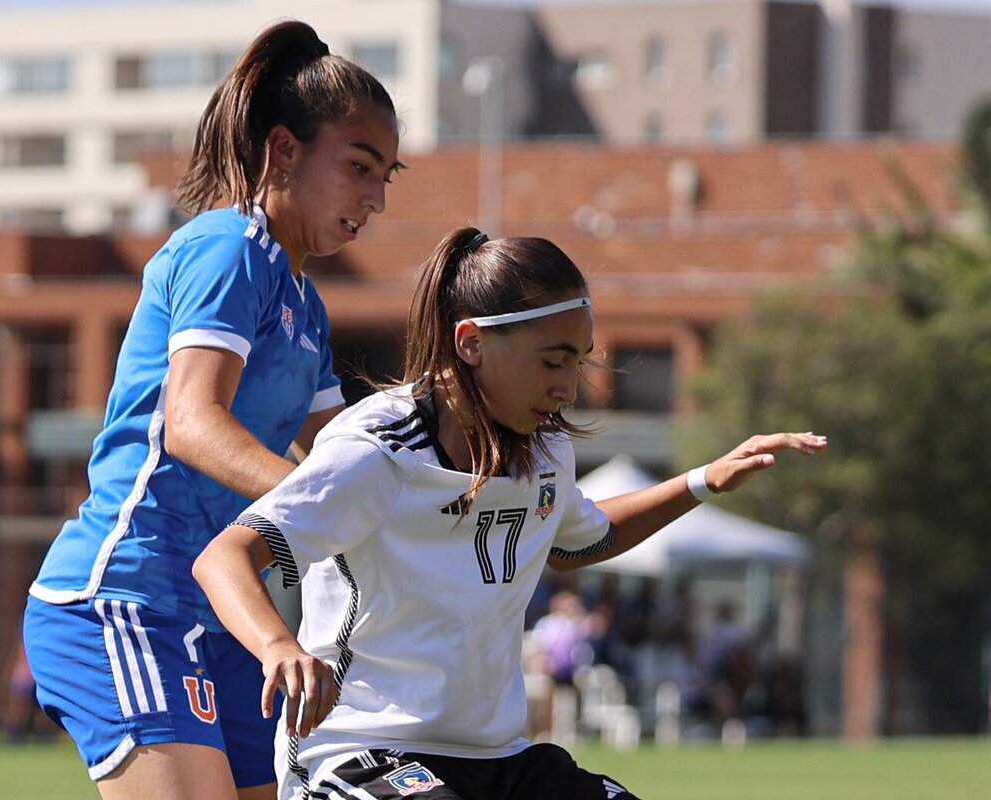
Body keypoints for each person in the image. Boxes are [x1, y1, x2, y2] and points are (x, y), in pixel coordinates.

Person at [194, 228, 828, 800]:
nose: (567, 387)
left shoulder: (545, 450)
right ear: (471, 343)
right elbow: (223, 557)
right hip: (361, 751)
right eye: (553, 361)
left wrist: (702, 481)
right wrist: (278, 646)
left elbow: (581, 540)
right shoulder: (376, 452)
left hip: (498, 760)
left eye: (578, 363)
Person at [22, 20, 401, 800]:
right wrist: (323, 506)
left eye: (388, 175)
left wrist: (436, 492)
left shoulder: (306, 302)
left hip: (219, 617)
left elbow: (339, 454)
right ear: (284, 150)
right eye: (360, 167)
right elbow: (192, 422)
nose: (378, 197)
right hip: (125, 599)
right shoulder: (227, 248)